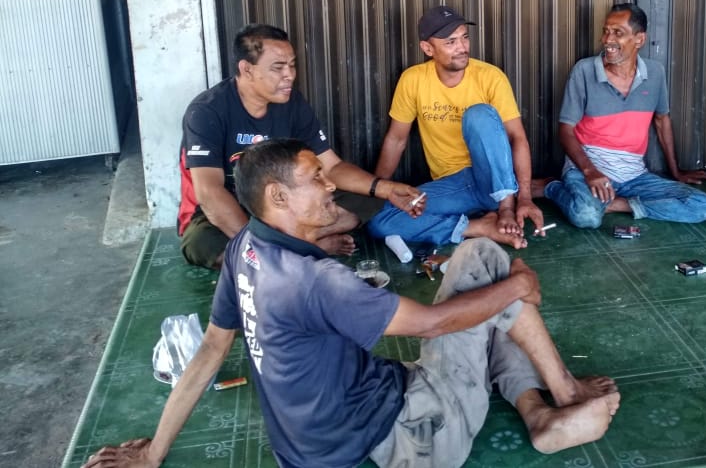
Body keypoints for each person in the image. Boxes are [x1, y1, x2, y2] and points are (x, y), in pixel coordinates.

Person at [81, 139, 620, 468]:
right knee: (484, 260)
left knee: (486, 301)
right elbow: (432, 324)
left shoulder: (246, 247)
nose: (329, 186)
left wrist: (153, 453)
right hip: (421, 436)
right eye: (315, 179)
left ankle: (536, 408)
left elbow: (208, 353)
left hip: (323, 442)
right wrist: (519, 286)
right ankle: (561, 394)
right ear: (278, 197)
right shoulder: (315, 281)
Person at [178, 23, 422, 269]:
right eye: (278, 67)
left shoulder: (292, 103)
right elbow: (209, 192)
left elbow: (332, 166)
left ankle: (287, 248)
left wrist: (386, 189)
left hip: (287, 203)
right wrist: (261, 244)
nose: (290, 75)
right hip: (231, 206)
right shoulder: (207, 111)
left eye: (292, 65)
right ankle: (306, 246)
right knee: (205, 244)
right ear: (247, 69)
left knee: (364, 207)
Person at [367, 5, 543, 248]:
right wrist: (378, 189)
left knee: (479, 114)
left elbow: (517, 138)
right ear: (428, 48)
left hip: (495, 181)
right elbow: (396, 140)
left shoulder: (490, 77)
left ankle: (504, 208)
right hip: (455, 187)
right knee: (382, 220)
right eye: (450, 42)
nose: (462, 47)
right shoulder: (413, 80)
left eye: (464, 37)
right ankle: (479, 226)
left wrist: (523, 198)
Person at [537, 3, 706, 228]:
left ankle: (616, 205)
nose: (607, 40)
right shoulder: (584, 71)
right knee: (587, 216)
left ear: (639, 39)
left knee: (702, 205)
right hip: (587, 171)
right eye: (606, 31)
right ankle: (552, 187)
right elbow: (566, 130)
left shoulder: (655, 73)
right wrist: (590, 171)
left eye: (617, 33)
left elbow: (662, 121)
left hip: (634, 177)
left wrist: (676, 172)